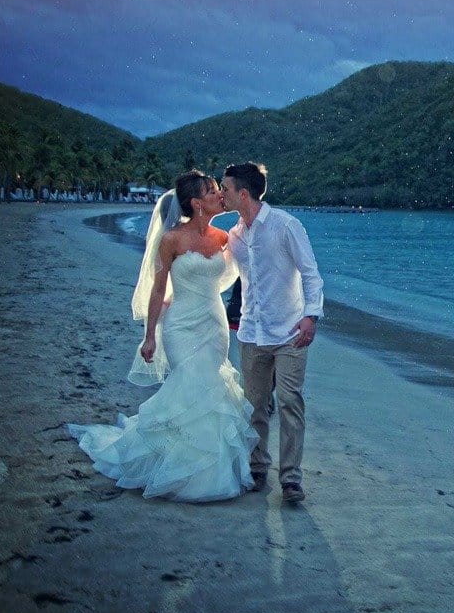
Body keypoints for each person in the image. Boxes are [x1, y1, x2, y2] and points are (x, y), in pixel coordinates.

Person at [67, 170, 259, 502]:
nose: (220, 196)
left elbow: (242, 271)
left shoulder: (224, 238)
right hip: (180, 325)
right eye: (213, 191)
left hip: (214, 325)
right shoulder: (171, 240)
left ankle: (208, 472)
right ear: (197, 203)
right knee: (190, 384)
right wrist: (149, 337)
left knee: (210, 386)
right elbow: (158, 290)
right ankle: (183, 471)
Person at [220, 162, 323, 503]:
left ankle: (291, 478)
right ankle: (257, 467)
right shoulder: (234, 235)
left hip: (290, 331)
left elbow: (310, 273)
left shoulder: (285, 225)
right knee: (255, 406)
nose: (221, 194)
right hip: (251, 333)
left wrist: (311, 315)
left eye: (225, 188)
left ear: (243, 193)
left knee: (290, 401)